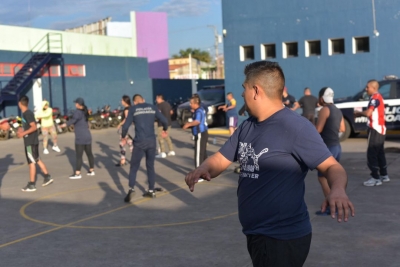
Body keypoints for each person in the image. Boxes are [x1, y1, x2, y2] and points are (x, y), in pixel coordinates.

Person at [184, 61, 355, 267]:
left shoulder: (295, 127)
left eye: (244, 88)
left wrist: (337, 190)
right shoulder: (247, 126)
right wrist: (204, 168)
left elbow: (332, 167)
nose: (242, 94)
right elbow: (221, 159)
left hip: (281, 238)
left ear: (256, 90)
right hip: (257, 234)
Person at [122, 94, 169, 201]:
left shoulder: (133, 109)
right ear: (143, 100)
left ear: (134, 102)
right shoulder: (152, 107)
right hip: (151, 141)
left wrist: (123, 136)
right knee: (150, 166)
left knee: (134, 167)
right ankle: (151, 190)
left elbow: (126, 126)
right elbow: (164, 121)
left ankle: (131, 189)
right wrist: (165, 129)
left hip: (139, 142)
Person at [315, 87, 346, 215]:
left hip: (327, 147)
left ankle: (330, 205)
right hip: (337, 146)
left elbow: (318, 130)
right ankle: (336, 202)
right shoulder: (338, 110)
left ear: (321, 98)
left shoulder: (324, 110)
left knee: (322, 178)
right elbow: (342, 128)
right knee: (332, 177)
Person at [355, 80, 390, 186]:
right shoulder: (379, 97)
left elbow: (369, 112)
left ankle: (375, 177)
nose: (366, 89)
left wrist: (359, 113)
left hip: (375, 129)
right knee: (380, 152)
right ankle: (384, 175)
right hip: (381, 129)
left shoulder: (374, 98)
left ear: (373, 88)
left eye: (367, 87)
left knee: (372, 153)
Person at [17, 95, 53, 192]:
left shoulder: (27, 114)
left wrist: (23, 133)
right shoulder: (26, 113)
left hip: (30, 142)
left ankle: (32, 184)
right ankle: (47, 176)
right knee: (37, 159)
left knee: (31, 162)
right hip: (33, 141)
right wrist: (21, 129)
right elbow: (28, 126)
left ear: (20, 103)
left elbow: (34, 127)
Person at [67, 97, 95, 179]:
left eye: (76, 103)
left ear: (79, 105)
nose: (75, 104)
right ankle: (91, 170)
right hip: (87, 136)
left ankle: (77, 173)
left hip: (80, 137)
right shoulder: (85, 112)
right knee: (89, 153)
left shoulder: (77, 112)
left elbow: (73, 121)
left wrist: (64, 124)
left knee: (79, 155)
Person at [183, 95, 209, 168]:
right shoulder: (199, 110)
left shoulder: (198, 111)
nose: (190, 104)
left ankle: (199, 173)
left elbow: (197, 121)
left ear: (196, 103)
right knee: (203, 153)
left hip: (200, 133)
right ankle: (207, 169)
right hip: (203, 133)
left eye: (191, 103)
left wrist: (188, 124)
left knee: (199, 154)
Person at [155, 94, 175, 158]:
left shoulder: (159, 106)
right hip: (169, 123)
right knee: (166, 136)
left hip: (161, 123)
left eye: (157, 98)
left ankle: (162, 152)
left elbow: (157, 114)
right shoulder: (167, 104)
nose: (156, 100)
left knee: (160, 137)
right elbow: (171, 112)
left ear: (159, 98)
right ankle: (171, 150)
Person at [116, 95, 133, 167]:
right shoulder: (132, 108)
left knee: (122, 144)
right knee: (131, 144)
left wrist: (120, 124)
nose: (121, 102)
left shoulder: (126, 109)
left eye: (122, 100)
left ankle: (123, 160)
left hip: (126, 129)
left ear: (125, 101)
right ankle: (134, 160)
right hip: (131, 128)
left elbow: (126, 119)